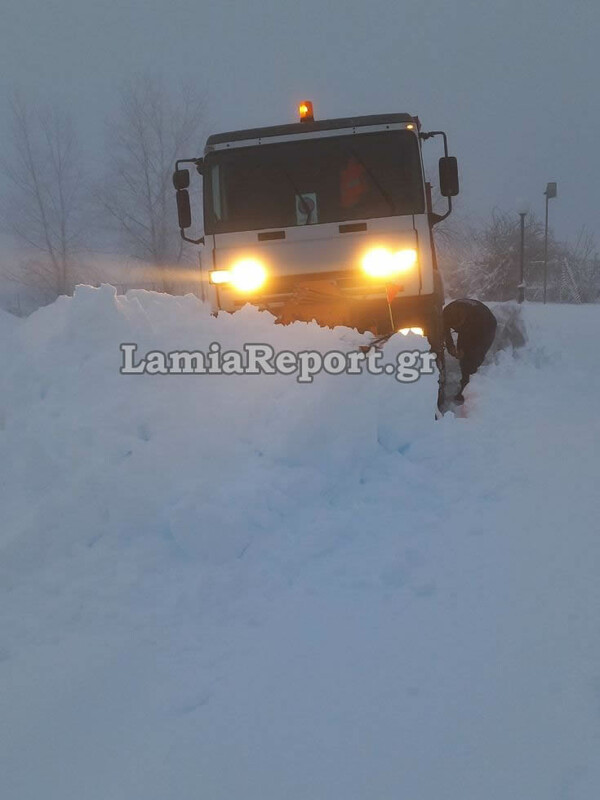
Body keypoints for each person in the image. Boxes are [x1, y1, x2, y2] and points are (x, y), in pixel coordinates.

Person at [443, 299, 497, 401]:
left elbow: (469, 339)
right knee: (464, 357)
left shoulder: (478, 319)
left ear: (464, 320)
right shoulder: (446, 314)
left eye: (458, 326)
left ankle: (471, 389)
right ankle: (467, 380)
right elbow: (445, 332)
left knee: (472, 358)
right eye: (454, 327)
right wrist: (451, 348)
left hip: (486, 326)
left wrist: (463, 351)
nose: (455, 328)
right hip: (470, 323)